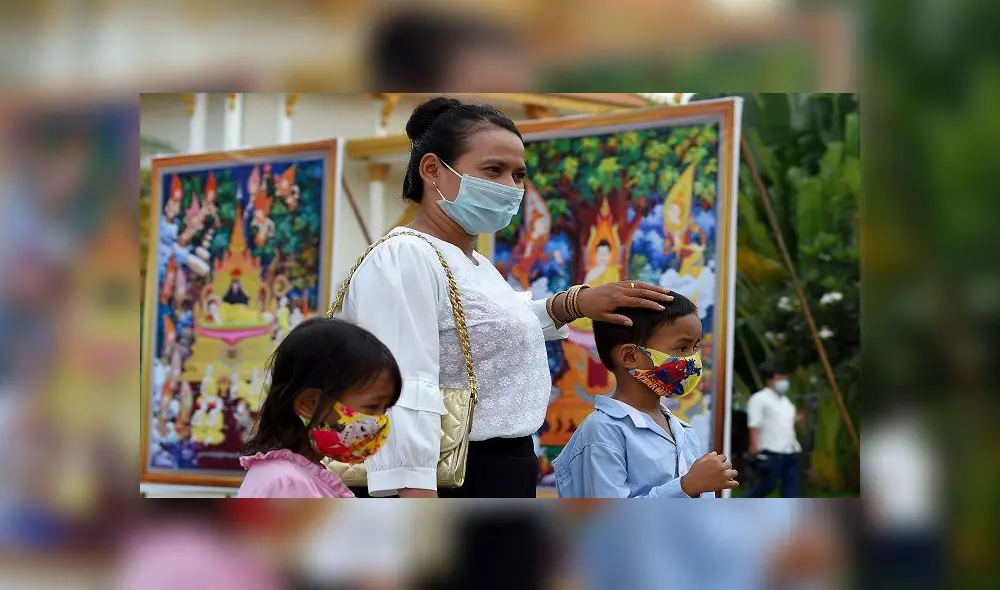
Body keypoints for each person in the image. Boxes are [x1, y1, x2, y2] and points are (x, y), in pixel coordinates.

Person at [337, 97, 674, 498]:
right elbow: (402, 391)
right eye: (492, 170)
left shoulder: (473, 263)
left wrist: (575, 304)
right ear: (432, 170)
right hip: (447, 477)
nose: (510, 187)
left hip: (501, 468)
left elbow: (489, 329)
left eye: (518, 174)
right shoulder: (405, 256)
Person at [552, 294, 738, 498]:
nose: (693, 359)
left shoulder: (685, 432)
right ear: (631, 356)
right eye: (682, 347)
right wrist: (686, 487)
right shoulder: (603, 431)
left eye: (695, 347)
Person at [237, 317, 401, 498]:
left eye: (385, 409)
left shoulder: (296, 476)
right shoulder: (287, 484)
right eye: (372, 406)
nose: (380, 421)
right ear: (309, 405)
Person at [746, 361, 804, 498]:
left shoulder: (785, 401)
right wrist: (754, 447)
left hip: (790, 451)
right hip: (770, 452)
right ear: (769, 380)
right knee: (767, 484)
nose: (784, 382)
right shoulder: (759, 399)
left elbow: (784, 420)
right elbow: (754, 423)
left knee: (791, 490)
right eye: (780, 379)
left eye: (785, 379)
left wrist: (799, 418)